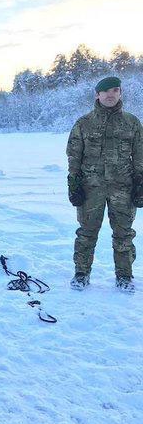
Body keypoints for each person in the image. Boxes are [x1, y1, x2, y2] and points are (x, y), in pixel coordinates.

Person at [67, 76, 143, 294]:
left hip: (123, 188)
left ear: (120, 93)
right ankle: (81, 274)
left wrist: (140, 182)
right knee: (86, 233)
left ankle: (124, 276)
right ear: (97, 95)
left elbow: (140, 155)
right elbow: (74, 156)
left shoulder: (132, 123)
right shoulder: (84, 123)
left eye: (115, 90)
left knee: (124, 233)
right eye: (106, 91)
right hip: (91, 188)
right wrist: (74, 183)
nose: (111, 95)